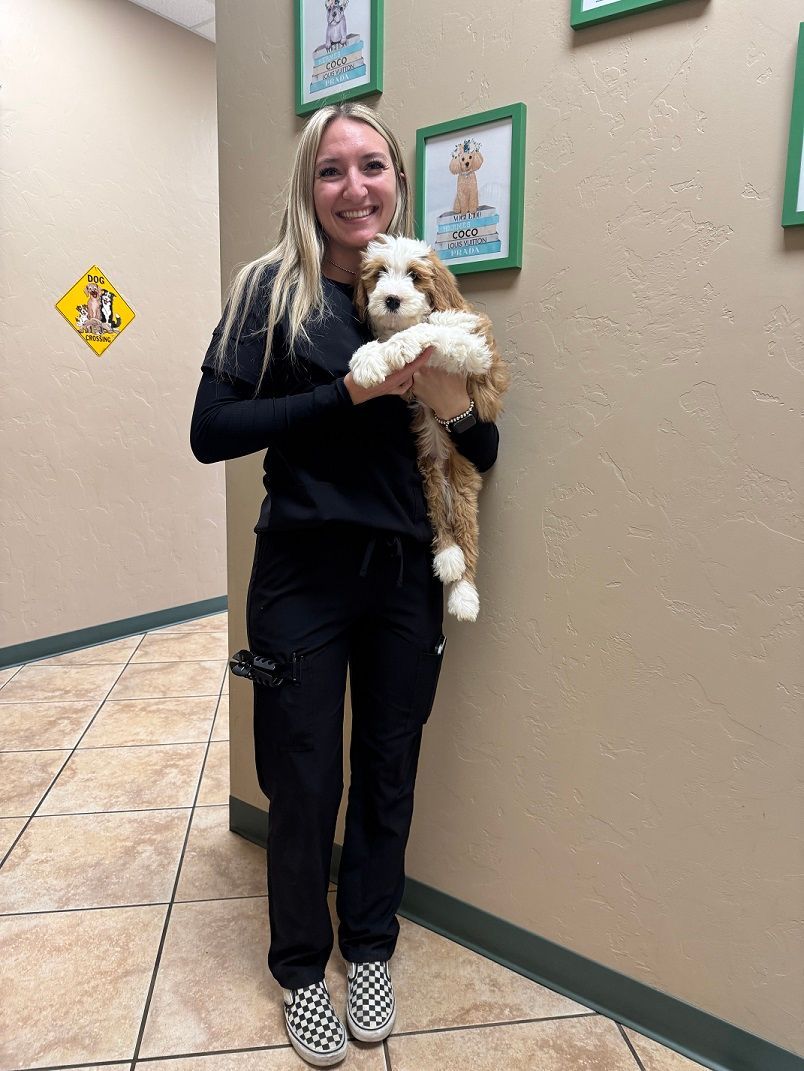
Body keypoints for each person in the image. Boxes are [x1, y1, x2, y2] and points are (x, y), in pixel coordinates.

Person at [190, 102, 500, 1068]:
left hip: (407, 573)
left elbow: (484, 444)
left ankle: (369, 947)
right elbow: (211, 432)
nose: (354, 187)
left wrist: (447, 398)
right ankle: (298, 966)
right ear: (309, 186)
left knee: (388, 771)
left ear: (399, 182)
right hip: (301, 574)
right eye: (333, 171)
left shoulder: (434, 296)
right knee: (303, 778)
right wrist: (346, 394)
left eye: (372, 166)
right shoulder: (268, 293)